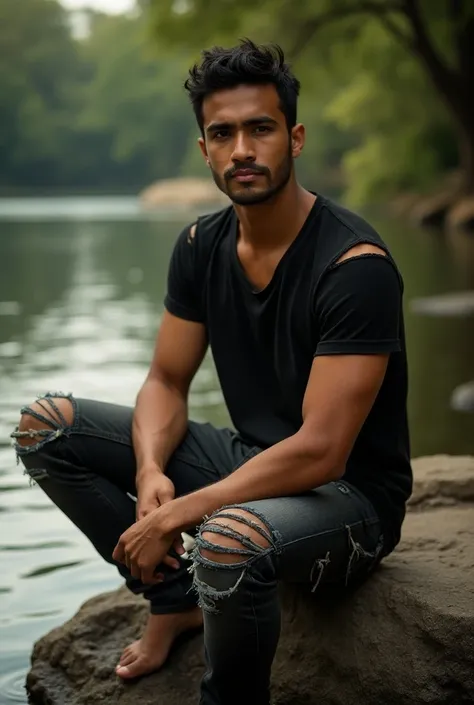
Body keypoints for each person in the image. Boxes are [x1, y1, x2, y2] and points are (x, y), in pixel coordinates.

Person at [12, 39, 413, 705]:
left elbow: (321, 449)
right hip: (255, 462)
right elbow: (166, 381)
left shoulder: (354, 266)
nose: (242, 150)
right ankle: (174, 602)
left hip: (352, 503)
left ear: (295, 136)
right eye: (222, 134)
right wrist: (150, 473)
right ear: (204, 149)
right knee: (43, 427)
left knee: (225, 539)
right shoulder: (201, 245)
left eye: (260, 128)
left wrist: (185, 514)